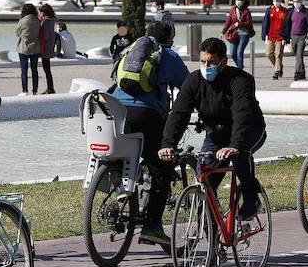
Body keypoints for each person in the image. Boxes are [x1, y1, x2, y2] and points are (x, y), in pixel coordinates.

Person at [160, 36, 267, 220]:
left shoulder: (241, 80)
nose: (206, 66)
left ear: (223, 62)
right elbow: (179, 114)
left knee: (240, 154)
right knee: (206, 183)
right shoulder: (193, 81)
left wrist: (235, 145)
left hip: (249, 130)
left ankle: (251, 198)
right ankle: (215, 240)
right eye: (203, 61)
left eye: (212, 62)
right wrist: (168, 143)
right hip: (216, 135)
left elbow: (242, 113)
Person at [111, 21, 191, 246]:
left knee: (124, 154)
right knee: (162, 165)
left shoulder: (130, 51)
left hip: (118, 112)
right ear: (169, 40)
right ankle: (152, 227)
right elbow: (188, 88)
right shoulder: (167, 55)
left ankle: (122, 188)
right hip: (147, 114)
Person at [260, 0, 289, 80]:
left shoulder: (285, 11)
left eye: (278, 1)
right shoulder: (269, 10)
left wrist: (285, 38)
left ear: (281, 1)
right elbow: (265, 24)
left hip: (280, 37)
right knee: (269, 53)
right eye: (274, 1)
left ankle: (276, 72)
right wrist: (264, 36)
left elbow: (287, 25)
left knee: (278, 54)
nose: (276, 2)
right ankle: (279, 66)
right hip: (270, 36)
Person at [287, 0, 308, 81]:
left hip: (302, 36)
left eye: (298, 1)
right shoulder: (290, 12)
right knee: (297, 55)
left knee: (299, 55)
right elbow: (286, 25)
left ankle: (297, 73)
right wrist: (286, 38)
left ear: (301, 2)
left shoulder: (307, 12)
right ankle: (302, 72)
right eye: (294, 1)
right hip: (293, 36)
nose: (296, 3)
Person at [221, 0, 254, 68]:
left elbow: (249, 23)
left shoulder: (247, 11)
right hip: (234, 34)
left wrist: (239, 24)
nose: (237, 1)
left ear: (243, 1)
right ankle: (240, 66)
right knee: (232, 53)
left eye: (239, 0)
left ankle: (239, 70)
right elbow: (228, 21)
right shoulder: (233, 9)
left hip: (244, 34)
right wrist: (223, 31)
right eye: (236, 0)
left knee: (239, 52)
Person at [15, 3, 41, 96]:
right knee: (35, 70)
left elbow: (17, 33)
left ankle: (24, 91)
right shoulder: (38, 21)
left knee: (24, 71)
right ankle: (35, 91)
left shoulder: (22, 21)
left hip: (23, 49)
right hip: (35, 49)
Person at [37, 3, 58, 95]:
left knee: (47, 69)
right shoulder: (51, 21)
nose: (39, 14)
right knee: (47, 69)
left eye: (40, 12)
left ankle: (50, 88)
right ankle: (50, 87)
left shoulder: (46, 21)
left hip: (45, 48)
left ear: (43, 12)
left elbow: (45, 36)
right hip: (50, 47)